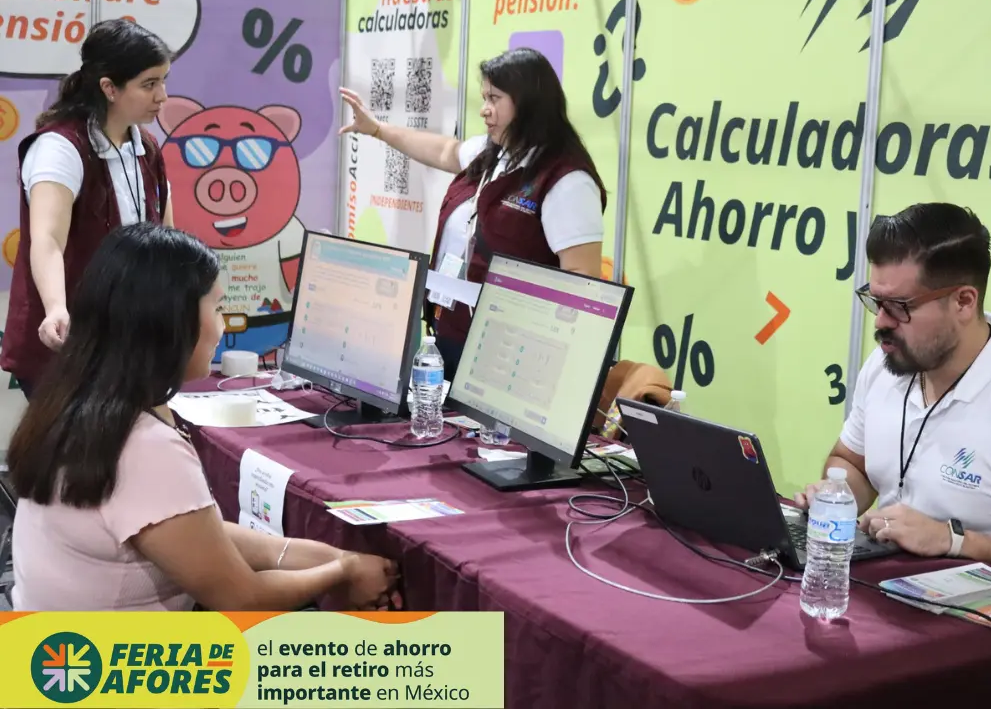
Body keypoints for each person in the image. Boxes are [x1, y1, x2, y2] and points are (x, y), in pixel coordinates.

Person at [6, 224, 399, 611]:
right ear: (171, 321)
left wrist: (330, 559)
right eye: (218, 307)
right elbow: (244, 598)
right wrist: (342, 571)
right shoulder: (145, 448)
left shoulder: (74, 404)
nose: (222, 326)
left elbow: (192, 533)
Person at [794, 203, 991, 602]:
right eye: (876, 302)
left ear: (964, 302)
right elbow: (852, 463)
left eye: (900, 307)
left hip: (989, 631)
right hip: (888, 595)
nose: (880, 322)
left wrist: (955, 542)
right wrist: (836, 495)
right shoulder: (888, 366)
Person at [338, 47, 605, 381]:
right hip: (451, 331)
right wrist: (376, 129)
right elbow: (444, 150)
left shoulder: (567, 181)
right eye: (484, 98)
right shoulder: (494, 153)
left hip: (510, 354)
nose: (484, 110)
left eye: (494, 98)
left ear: (528, 102)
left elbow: (581, 279)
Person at [1, 19, 176, 400]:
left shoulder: (145, 148)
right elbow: (46, 239)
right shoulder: (59, 147)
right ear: (109, 88)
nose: (162, 95)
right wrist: (55, 308)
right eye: (149, 84)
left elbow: (168, 241)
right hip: (68, 346)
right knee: (73, 458)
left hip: (126, 342)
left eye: (163, 80)